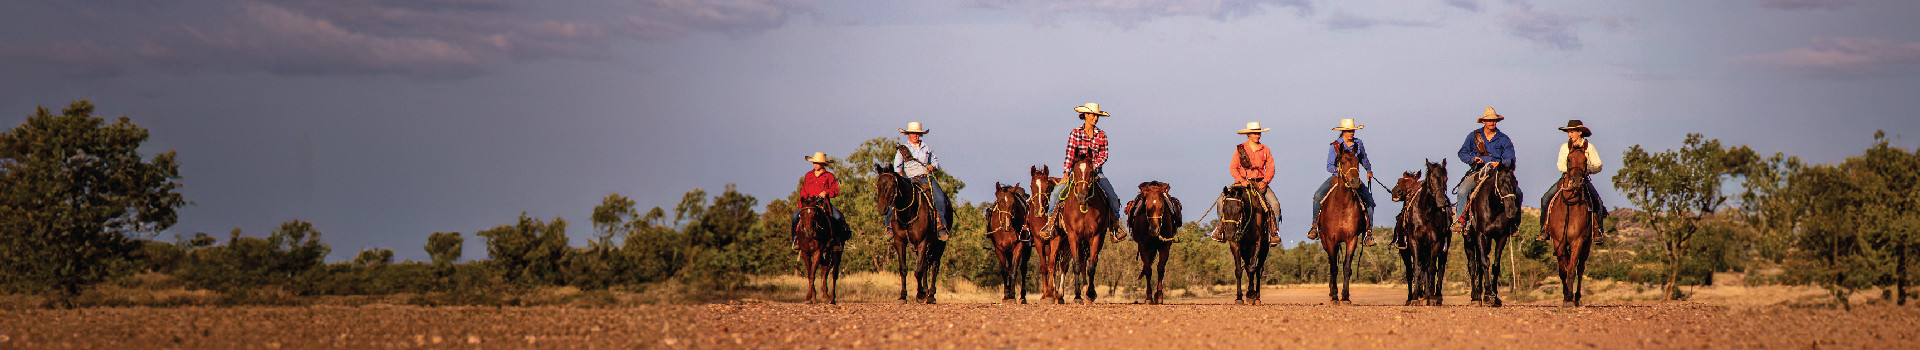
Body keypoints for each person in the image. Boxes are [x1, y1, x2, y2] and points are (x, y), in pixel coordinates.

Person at [1049, 103, 1127, 237]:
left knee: (1113, 197)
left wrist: (1093, 167)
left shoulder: (1101, 134)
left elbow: (1104, 155)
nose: (1095, 118)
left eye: (1096, 116)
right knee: (1055, 194)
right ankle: (1050, 224)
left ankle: (1115, 225)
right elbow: (1069, 154)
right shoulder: (1075, 133)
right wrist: (1066, 173)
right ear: (1085, 115)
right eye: (1092, 115)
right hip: (1077, 173)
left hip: (1096, 172)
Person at [1308, 119, 1378, 246]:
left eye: (1352, 130)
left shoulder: (1358, 143)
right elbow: (1329, 166)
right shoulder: (1335, 145)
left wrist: (1368, 170)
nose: (1351, 133)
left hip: (1354, 179)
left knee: (1370, 201)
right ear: (1343, 132)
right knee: (1318, 196)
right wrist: (1341, 173)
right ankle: (1314, 226)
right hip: (1338, 178)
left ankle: (1368, 233)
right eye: (1348, 131)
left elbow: (1363, 159)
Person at [1212, 122, 1284, 246]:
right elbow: (1233, 168)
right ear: (1249, 135)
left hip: (1260, 182)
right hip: (1242, 183)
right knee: (1221, 201)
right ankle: (1220, 229)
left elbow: (1271, 169)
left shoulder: (1265, 149)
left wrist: (1265, 182)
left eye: (1259, 133)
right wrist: (1241, 180)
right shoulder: (1240, 149)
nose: (1258, 135)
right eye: (1255, 133)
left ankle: (1274, 232)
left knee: (1275, 204)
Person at [1537, 120, 1608, 242]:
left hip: (1583, 179)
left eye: (1571, 132)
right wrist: (1571, 171)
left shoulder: (1589, 147)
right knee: (1545, 199)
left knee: (1598, 202)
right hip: (1566, 178)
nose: (1569, 135)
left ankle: (1598, 231)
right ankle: (1544, 230)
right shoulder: (1565, 147)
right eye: (1568, 132)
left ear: (1579, 132)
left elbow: (1598, 164)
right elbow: (1560, 165)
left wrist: (1589, 170)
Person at [1453, 107, 1517, 233]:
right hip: (1479, 172)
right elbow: (1462, 153)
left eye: (1494, 120)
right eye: (1489, 120)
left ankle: (1513, 224)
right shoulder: (1474, 136)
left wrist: (1499, 163)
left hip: (1498, 173)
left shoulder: (1504, 139)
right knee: (1462, 191)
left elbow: (1510, 158)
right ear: (1484, 121)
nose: (1492, 122)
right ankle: (1461, 222)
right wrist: (1473, 159)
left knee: (1517, 193)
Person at [891, 122, 952, 240]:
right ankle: (889, 226)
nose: (916, 135)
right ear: (908, 134)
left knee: (940, 197)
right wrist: (902, 180)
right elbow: (897, 168)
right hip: (909, 180)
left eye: (918, 134)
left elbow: (935, 162)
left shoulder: (927, 148)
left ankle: (942, 226)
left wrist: (932, 167)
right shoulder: (902, 149)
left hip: (926, 177)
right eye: (913, 133)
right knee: (893, 198)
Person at [793, 152, 848, 250]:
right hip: (809, 204)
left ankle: (836, 242)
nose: (815, 164)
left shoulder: (829, 176)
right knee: (794, 216)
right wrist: (802, 204)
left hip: (823, 203)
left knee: (838, 217)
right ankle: (795, 240)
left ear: (823, 164)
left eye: (817, 163)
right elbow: (803, 191)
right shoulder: (808, 175)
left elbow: (835, 190)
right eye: (814, 162)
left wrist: (826, 192)